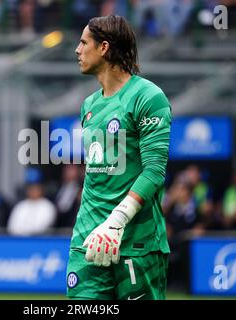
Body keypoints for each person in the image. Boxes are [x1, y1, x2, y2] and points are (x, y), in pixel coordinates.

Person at [67, 15, 172, 300]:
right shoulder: (88, 105)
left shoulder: (148, 97)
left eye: (83, 42)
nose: (77, 50)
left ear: (103, 47)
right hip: (87, 242)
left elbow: (154, 171)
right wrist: (96, 227)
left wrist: (116, 222)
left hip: (135, 243)